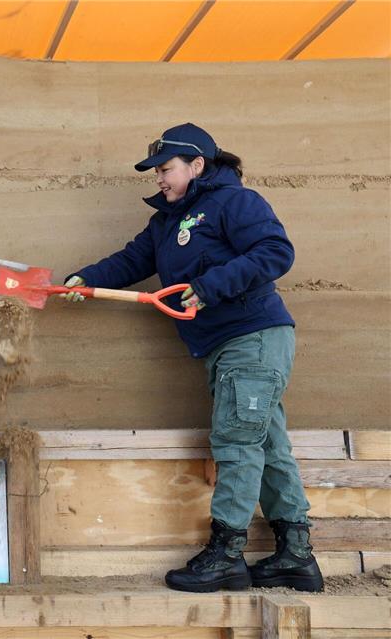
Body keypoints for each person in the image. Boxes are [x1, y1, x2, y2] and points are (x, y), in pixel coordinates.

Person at [63, 123, 323, 594]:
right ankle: (296, 556)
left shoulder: (235, 202)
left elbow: (276, 252)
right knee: (266, 444)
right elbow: (131, 261)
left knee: (236, 443)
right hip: (227, 345)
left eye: (165, 169)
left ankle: (225, 554)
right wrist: (84, 279)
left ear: (197, 165)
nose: (159, 179)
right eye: (156, 171)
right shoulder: (166, 220)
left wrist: (208, 287)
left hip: (253, 335)